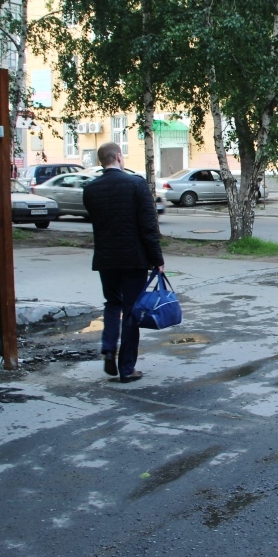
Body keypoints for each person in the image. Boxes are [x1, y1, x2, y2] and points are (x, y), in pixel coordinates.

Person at [83, 142, 165, 383]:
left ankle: (109, 347)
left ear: (101, 161)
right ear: (119, 157)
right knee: (131, 311)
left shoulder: (91, 189)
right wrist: (157, 259)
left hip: (106, 259)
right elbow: (148, 226)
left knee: (112, 303)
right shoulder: (136, 184)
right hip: (133, 259)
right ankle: (127, 369)